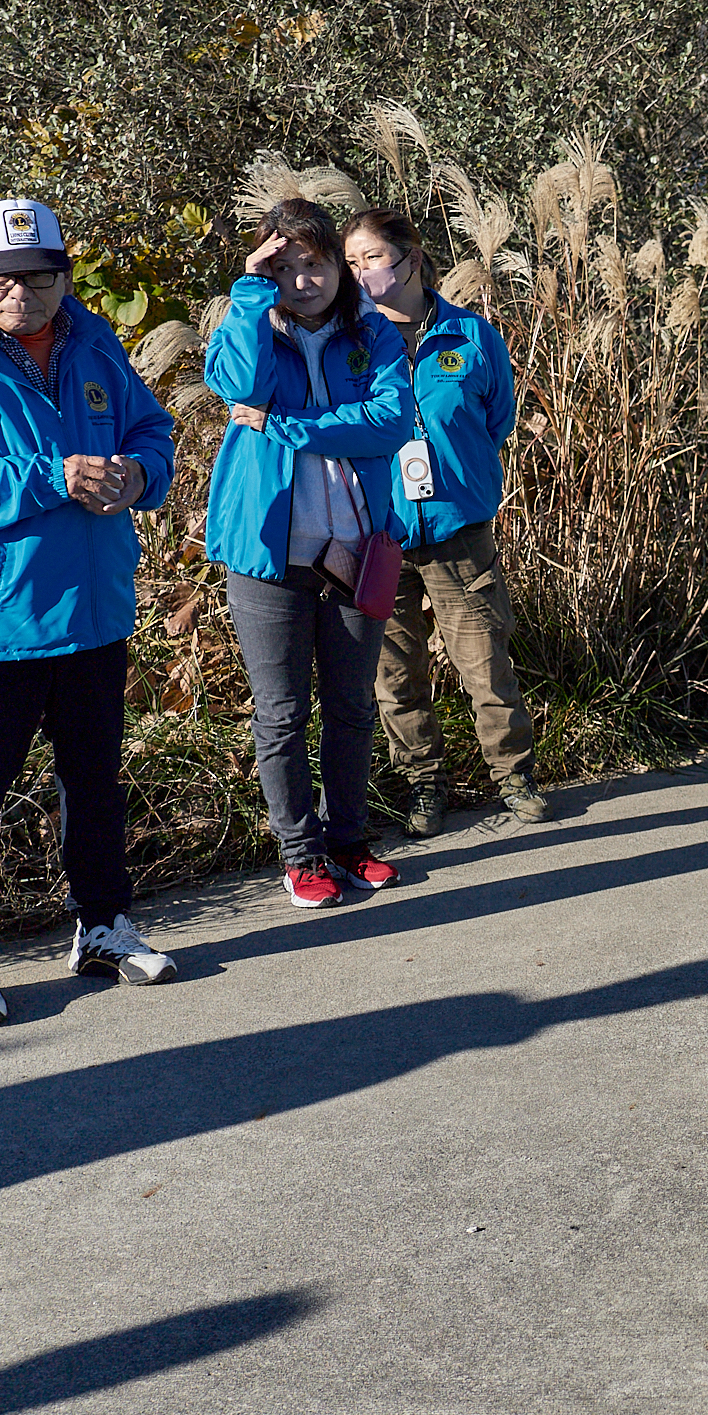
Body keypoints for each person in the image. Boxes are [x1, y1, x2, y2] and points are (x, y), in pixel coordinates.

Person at [0, 197, 182, 1028]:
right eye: (6, 278)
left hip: (94, 609)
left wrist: (137, 477)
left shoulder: (94, 341)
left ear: (64, 274)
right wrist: (52, 477)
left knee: (94, 782)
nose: (25, 292)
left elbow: (154, 433)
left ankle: (103, 925)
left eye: (41, 275)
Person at [205, 197, 415, 909]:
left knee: (353, 705)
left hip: (356, 548)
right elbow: (236, 386)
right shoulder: (254, 328)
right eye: (284, 266)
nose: (303, 280)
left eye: (315, 263)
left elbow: (390, 422)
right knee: (283, 712)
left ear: (337, 266)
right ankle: (302, 855)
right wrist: (247, 288)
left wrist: (290, 427)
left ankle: (351, 842)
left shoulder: (374, 337)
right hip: (268, 551)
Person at [341, 206, 548, 836]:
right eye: (350, 263)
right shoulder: (349, 342)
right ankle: (424, 786)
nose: (360, 272)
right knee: (395, 672)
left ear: (411, 256)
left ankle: (514, 778)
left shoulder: (471, 336)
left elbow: (497, 420)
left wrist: (460, 475)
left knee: (485, 660)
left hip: (458, 526)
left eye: (371, 258)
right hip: (376, 532)